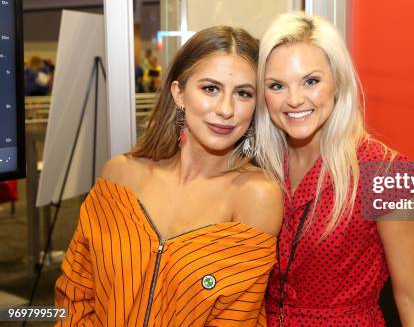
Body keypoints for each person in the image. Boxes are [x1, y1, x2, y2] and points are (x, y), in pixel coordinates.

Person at [55, 26, 283, 326]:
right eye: (210, 88)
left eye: (243, 93)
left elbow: (237, 318)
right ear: (179, 93)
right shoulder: (119, 175)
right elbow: (76, 290)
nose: (226, 109)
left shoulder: (256, 196)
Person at [255, 12, 414, 326]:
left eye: (311, 81)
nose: (295, 99)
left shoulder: (385, 173)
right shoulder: (257, 166)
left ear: (338, 83)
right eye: (277, 86)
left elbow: (412, 295)